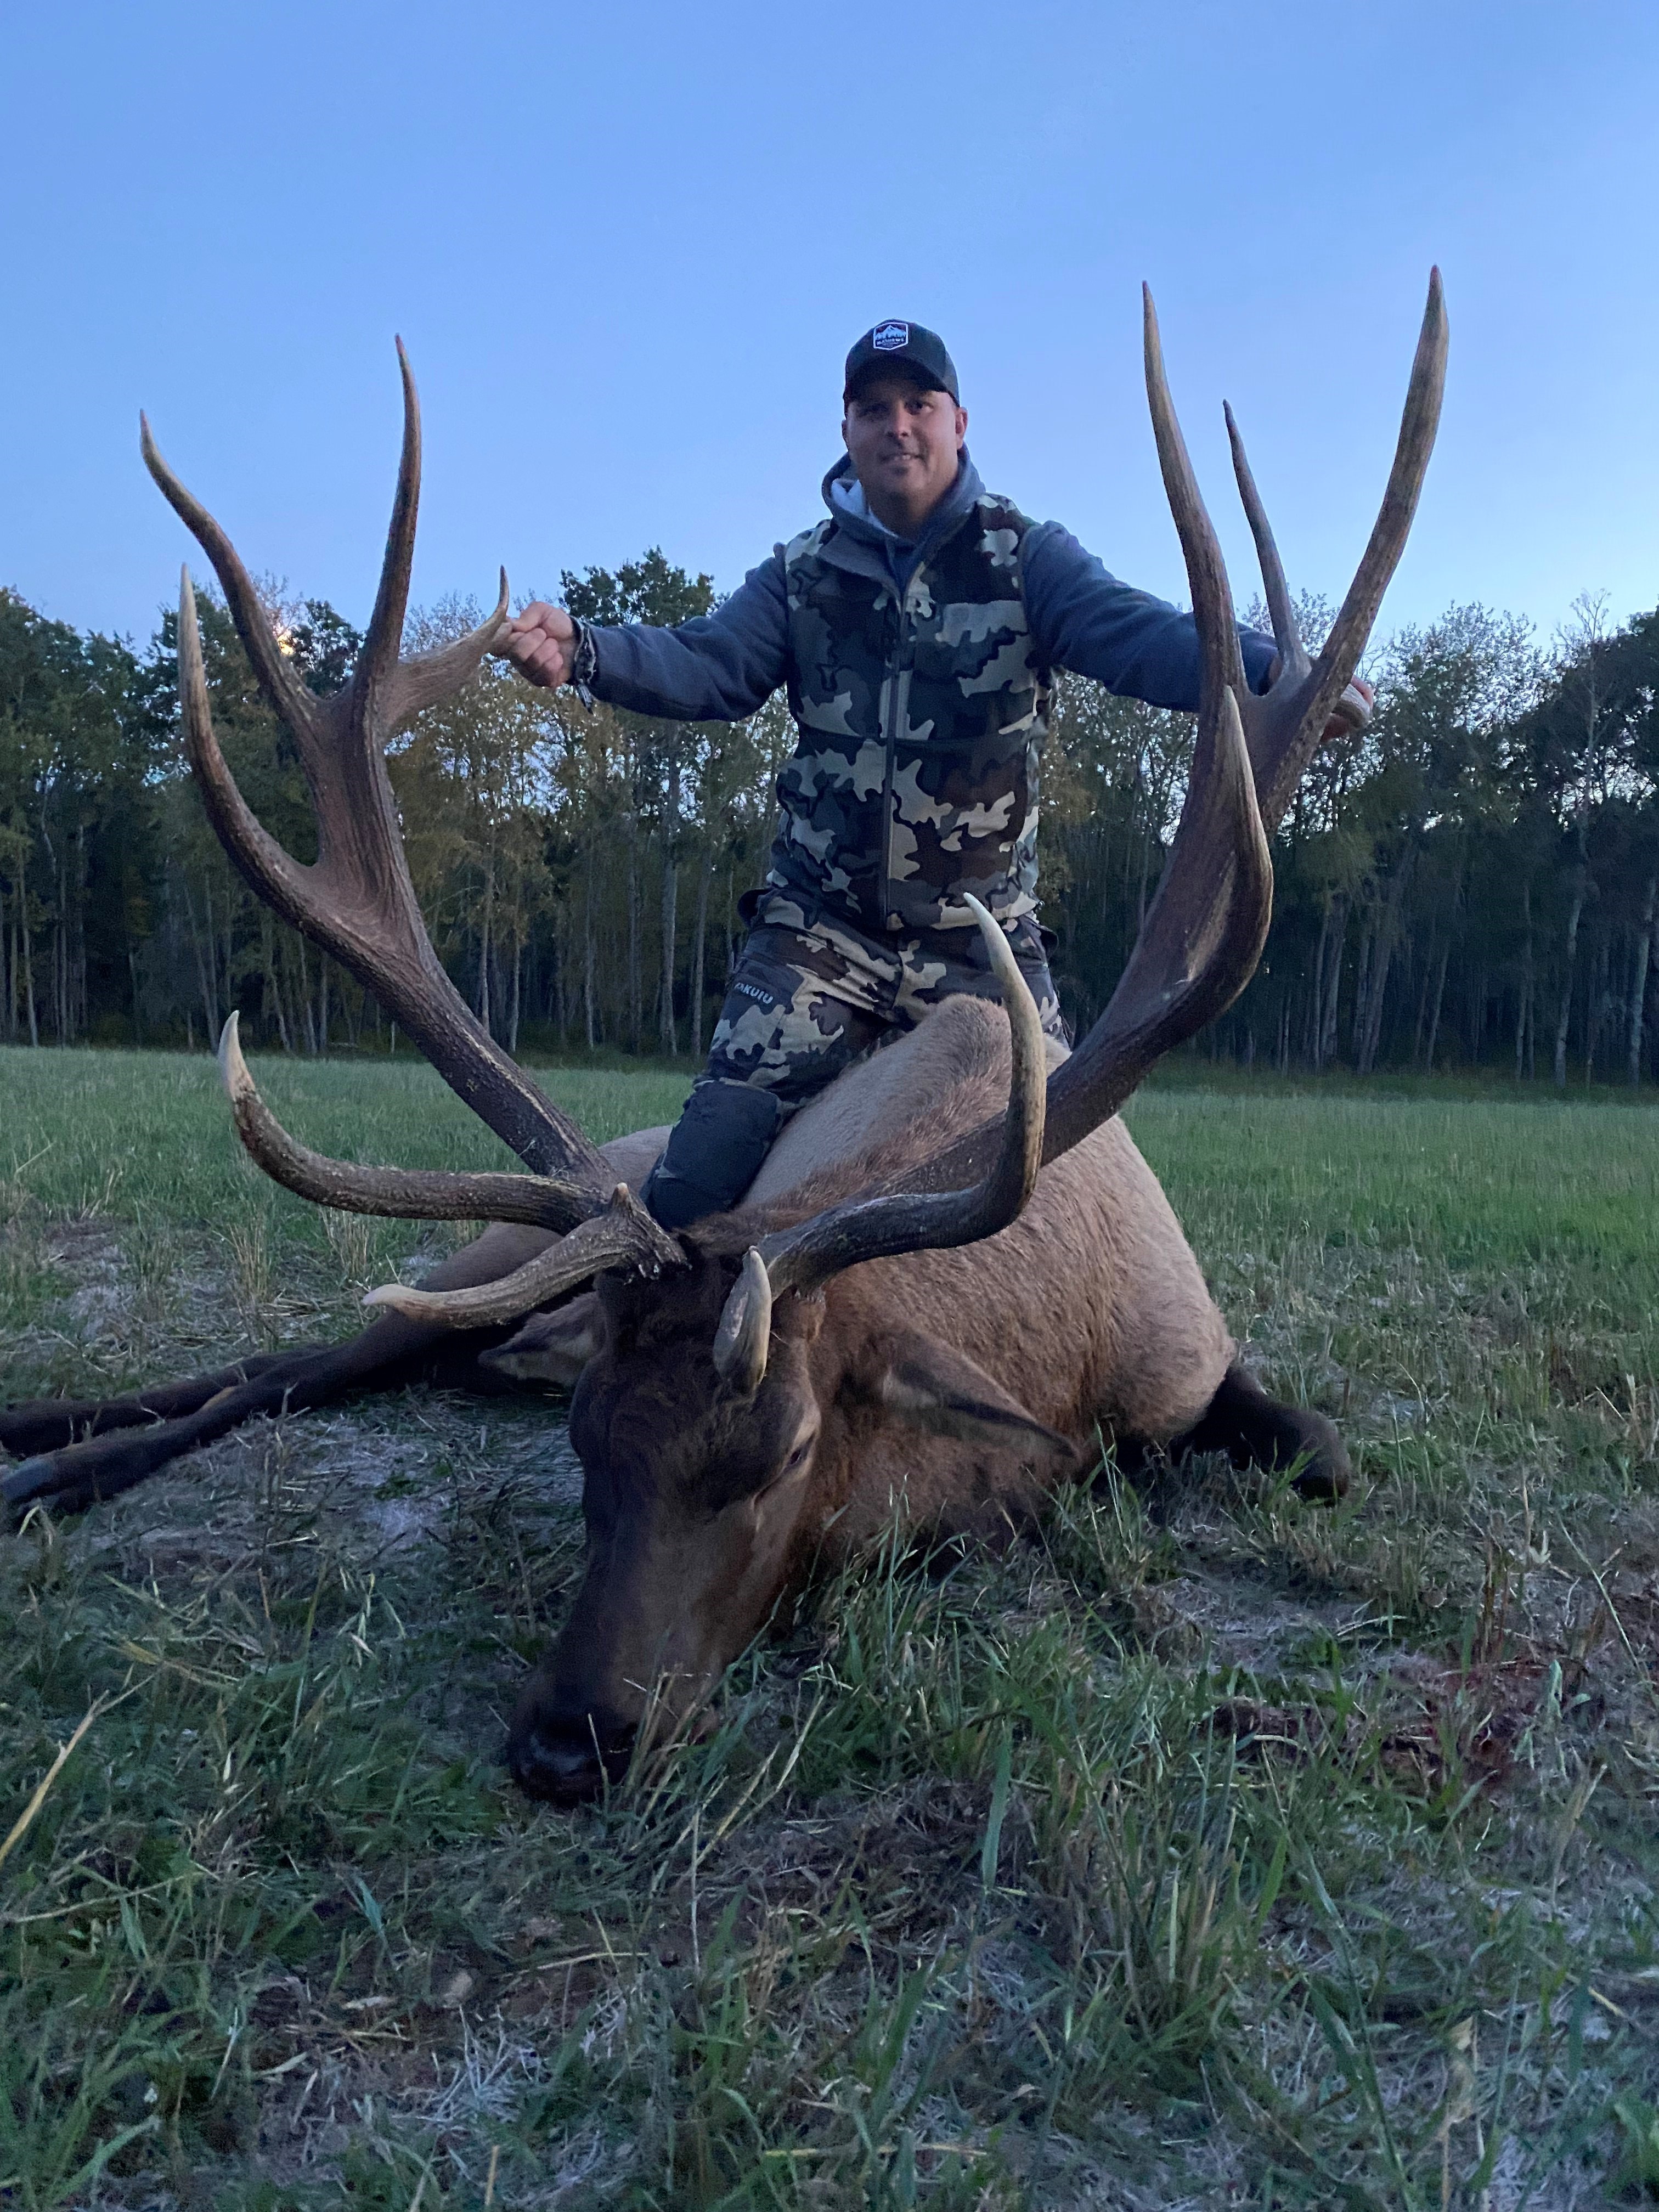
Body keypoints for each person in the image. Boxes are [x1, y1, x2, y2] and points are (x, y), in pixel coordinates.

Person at [499, 320, 1370, 1230]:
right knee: (693, 1187)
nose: (898, 427)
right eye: (874, 409)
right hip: (820, 939)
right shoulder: (801, 576)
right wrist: (590, 650)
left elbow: (1135, 633)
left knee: (1074, 1187)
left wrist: (1274, 674)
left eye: (920, 404)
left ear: (961, 422)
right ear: (847, 433)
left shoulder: (1026, 560)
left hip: (981, 944)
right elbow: (711, 662)